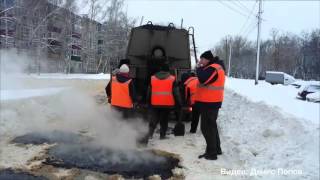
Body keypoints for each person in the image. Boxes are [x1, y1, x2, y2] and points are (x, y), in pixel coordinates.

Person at [195, 50, 226, 160]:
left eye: (202, 59)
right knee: (211, 127)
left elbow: (203, 79)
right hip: (210, 102)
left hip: (210, 103)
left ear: (207, 59)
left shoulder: (214, 68)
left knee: (206, 128)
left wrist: (198, 68)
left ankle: (211, 153)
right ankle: (216, 149)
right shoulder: (213, 67)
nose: (200, 61)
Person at [146, 64, 182, 140]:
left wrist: (148, 100)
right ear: (168, 70)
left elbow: (149, 91)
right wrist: (179, 102)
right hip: (167, 103)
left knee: (153, 119)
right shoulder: (172, 79)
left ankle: (150, 135)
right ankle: (162, 136)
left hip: (155, 103)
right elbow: (176, 92)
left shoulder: (152, 78)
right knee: (164, 120)